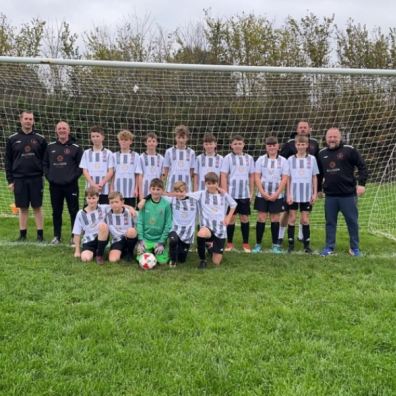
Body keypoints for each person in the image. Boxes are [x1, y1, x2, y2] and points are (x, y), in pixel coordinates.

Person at [318, 127, 368, 257]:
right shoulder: (321, 153)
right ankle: (329, 247)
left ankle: (354, 248)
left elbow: (362, 166)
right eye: (330, 137)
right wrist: (318, 189)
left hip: (348, 195)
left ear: (340, 138)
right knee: (330, 223)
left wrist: (361, 184)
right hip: (330, 196)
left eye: (335, 137)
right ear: (326, 138)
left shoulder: (349, 150)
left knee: (352, 222)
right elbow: (318, 174)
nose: (332, 139)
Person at [5, 111, 47, 242]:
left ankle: (40, 235)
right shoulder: (12, 139)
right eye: (26, 119)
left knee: (37, 207)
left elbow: (45, 160)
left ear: (33, 121)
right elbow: (8, 161)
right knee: (22, 208)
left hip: (36, 178)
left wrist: (44, 176)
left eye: (31, 119)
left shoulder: (40, 139)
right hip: (19, 179)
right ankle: (22, 234)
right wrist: (10, 181)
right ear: (21, 120)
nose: (28, 121)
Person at [279, 120, 320, 244]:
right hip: (292, 186)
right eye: (300, 127)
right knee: (287, 212)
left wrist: (317, 190)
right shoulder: (289, 143)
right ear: (297, 129)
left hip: (307, 187)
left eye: (305, 127)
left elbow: (317, 167)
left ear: (309, 129)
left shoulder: (315, 143)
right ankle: (280, 236)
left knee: (305, 214)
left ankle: (302, 236)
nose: (302, 129)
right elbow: (282, 161)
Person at [139, 181, 197, 268]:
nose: (179, 194)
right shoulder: (172, 200)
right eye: (177, 192)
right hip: (175, 230)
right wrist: (144, 199)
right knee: (173, 240)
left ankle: (167, 251)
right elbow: (157, 194)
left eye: (181, 192)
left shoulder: (194, 201)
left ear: (186, 191)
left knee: (182, 259)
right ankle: (172, 260)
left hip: (187, 233)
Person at [43, 121, 83, 245]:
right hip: (55, 186)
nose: (62, 130)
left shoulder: (76, 148)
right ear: (56, 131)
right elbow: (45, 164)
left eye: (64, 128)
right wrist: (50, 177)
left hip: (71, 185)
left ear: (69, 131)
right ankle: (57, 236)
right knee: (56, 211)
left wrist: (71, 178)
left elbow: (81, 167)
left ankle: (74, 237)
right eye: (59, 128)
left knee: (74, 211)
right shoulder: (50, 147)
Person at [187, 172, 237, 269]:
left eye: (213, 183)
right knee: (201, 234)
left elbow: (234, 204)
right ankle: (202, 260)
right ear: (205, 184)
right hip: (207, 227)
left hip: (220, 230)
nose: (211, 186)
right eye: (208, 183)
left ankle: (210, 246)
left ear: (217, 183)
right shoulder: (201, 194)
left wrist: (228, 217)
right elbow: (184, 194)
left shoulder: (223, 194)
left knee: (216, 262)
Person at [253, 136, 289, 254]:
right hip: (262, 194)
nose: (272, 147)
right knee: (261, 218)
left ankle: (275, 245)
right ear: (266, 147)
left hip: (277, 195)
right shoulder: (260, 160)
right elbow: (257, 177)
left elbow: (284, 179)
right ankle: (258, 244)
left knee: (275, 218)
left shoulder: (283, 161)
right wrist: (262, 192)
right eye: (269, 145)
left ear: (278, 147)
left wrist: (277, 193)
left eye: (274, 145)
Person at [220, 134, 255, 253]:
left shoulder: (249, 158)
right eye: (235, 144)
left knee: (244, 218)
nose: (237, 146)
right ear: (231, 145)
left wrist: (251, 192)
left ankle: (245, 243)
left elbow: (251, 176)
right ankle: (229, 243)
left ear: (244, 145)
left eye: (240, 143)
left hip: (244, 194)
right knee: (231, 219)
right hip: (231, 195)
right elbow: (223, 175)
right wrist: (225, 193)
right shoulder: (227, 158)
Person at [286, 135, 319, 253]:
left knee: (305, 219)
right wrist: (288, 194)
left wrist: (314, 193)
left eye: (303, 144)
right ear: (295, 145)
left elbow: (314, 177)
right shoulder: (290, 159)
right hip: (293, 195)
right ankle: (290, 245)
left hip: (307, 194)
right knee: (292, 218)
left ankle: (306, 245)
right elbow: (288, 178)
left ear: (307, 145)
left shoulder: (312, 159)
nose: (301, 146)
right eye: (298, 144)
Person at [136, 178, 172, 265]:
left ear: (162, 190)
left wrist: (161, 242)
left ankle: (163, 248)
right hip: (146, 239)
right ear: (150, 189)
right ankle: (143, 247)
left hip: (159, 239)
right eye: (153, 189)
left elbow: (168, 224)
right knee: (140, 259)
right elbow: (140, 222)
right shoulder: (145, 203)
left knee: (162, 262)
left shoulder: (166, 204)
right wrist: (141, 240)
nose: (155, 191)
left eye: (158, 189)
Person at [72, 187, 110, 264]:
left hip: (101, 237)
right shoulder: (80, 213)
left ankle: (99, 255)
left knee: (103, 226)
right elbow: (77, 232)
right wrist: (77, 251)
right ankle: (95, 252)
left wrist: (131, 208)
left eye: (93, 198)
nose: (91, 201)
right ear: (86, 198)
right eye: (89, 198)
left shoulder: (103, 208)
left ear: (98, 198)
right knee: (85, 259)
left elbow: (117, 205)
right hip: (89, 241)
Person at [79, 126, 114, 204]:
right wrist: (93, 184)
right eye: (93, 136)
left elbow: (111, 171)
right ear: (91, 138)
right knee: (88, 212)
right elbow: (85, 171)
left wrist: (101, 184)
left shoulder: (109, 153)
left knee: (104, 212)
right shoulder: (86, 153)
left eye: (97, 136)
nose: (95, 138)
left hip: (104, 189)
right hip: (90, 188)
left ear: (103, 137)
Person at [112, 129, 142, 207]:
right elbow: (113, 173)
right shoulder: (114, 155)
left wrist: (136, 188)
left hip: (130, 190)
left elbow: (137, 174)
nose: (124, 142)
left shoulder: (136, 155)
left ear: (131, 141)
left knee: (130, 211)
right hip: (117, 189)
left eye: (126, 140)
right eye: (121, 140)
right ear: (119, 141)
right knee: (117, 209)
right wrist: (112, 188)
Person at [105, 191, 138, 263]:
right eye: (112, 202)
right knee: (113, 260)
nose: (114, 204)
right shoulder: (106, 211)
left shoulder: (130, 212)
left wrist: (131, 208)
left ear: (122, 202)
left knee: (131, 231)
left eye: (116, 202)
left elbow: (139, 225)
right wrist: (130, 206)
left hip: (128, 237)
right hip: (117, 240)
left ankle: (130, 253)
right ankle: (123, 251)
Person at [163, 125, 195, 192]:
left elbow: (191, 170)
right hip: (172, 185)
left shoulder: (191, 152)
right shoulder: (169, 151)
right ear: (175, 138)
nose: (181, 140)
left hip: (186, 186)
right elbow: (166, 169)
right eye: (179, 137)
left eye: (183, 138)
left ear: (187, 138)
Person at [139, 132, 164, 199]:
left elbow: (162, 176)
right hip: (145, 188)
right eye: (149, 141)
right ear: (145, 143)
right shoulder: (141, 157)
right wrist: (140, 193)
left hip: (157, 189)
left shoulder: (161, 158)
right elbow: (140, 175)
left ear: (157, 143)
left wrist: (162, 189)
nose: (151, 143)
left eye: (153, 141)